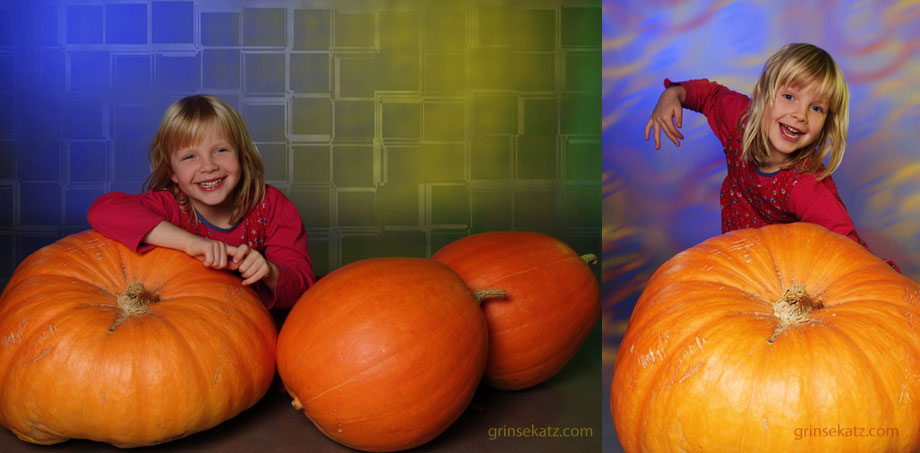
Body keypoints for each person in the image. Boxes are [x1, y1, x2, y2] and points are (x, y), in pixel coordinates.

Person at [644, 42, 898, 271]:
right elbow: (711, 96)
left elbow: (846, 244)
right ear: (764, 95)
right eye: (789, 96)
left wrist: (877, 280)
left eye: (816, 108)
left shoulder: (806, 186)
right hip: (737, 258)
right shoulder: (739, 122)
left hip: (784, 279)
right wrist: (674, 94)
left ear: (827, 122)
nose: (800, 115)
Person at [88, 94, 316, 309]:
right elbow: (104, 210)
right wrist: (190, 244)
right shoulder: (172, 206)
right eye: (189, 157)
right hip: (191, 321)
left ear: (242, 156)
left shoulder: (272, 207)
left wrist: (269, 272)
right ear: (173, 173)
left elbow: (304, 289)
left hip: (258, 329)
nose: (208, 166)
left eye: (220, 150)